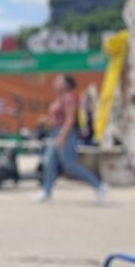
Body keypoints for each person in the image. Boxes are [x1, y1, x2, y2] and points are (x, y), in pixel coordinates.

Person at [32, 73, 108, 203]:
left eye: (59, 80)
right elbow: (57, 119)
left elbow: (70, 119)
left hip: (66, 134)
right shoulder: (59, 98)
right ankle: (46, 191)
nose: (55, 82)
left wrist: (62, 137)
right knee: (49, 163)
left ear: (66, 84)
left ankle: (99, 186)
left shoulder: (69, 98)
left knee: (71, 165)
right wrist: (47, 122)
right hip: (56, 133)